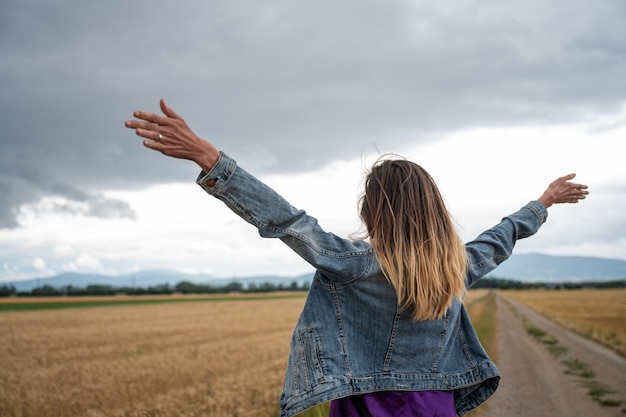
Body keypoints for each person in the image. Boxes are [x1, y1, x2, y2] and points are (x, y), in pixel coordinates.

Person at [125, 99, 589, 417]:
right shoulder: (456, 266)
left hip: (365, 406)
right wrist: (543, 201)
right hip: (435, 406)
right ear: (434, 212)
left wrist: (210, 158)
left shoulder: (350, 264)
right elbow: (502, 237)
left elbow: (287, 219)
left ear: (372, 211)